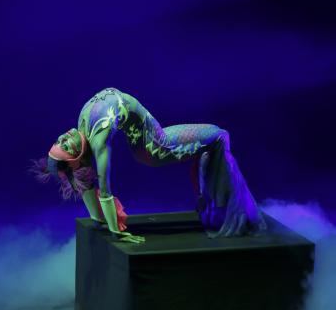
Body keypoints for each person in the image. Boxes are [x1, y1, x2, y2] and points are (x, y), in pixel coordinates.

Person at [31, 87, 267, 243]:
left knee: (217, 139)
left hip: (148, 138)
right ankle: (227, 208)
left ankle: (217, 201)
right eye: (65, 145)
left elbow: (84, 179)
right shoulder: (98, 141)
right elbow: (104, 188)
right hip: (155, 146)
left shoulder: (82, 123)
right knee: (219, 136)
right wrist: (115, 230)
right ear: (76, 157)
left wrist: (97, 217)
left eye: (58, 141)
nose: (63, 137)